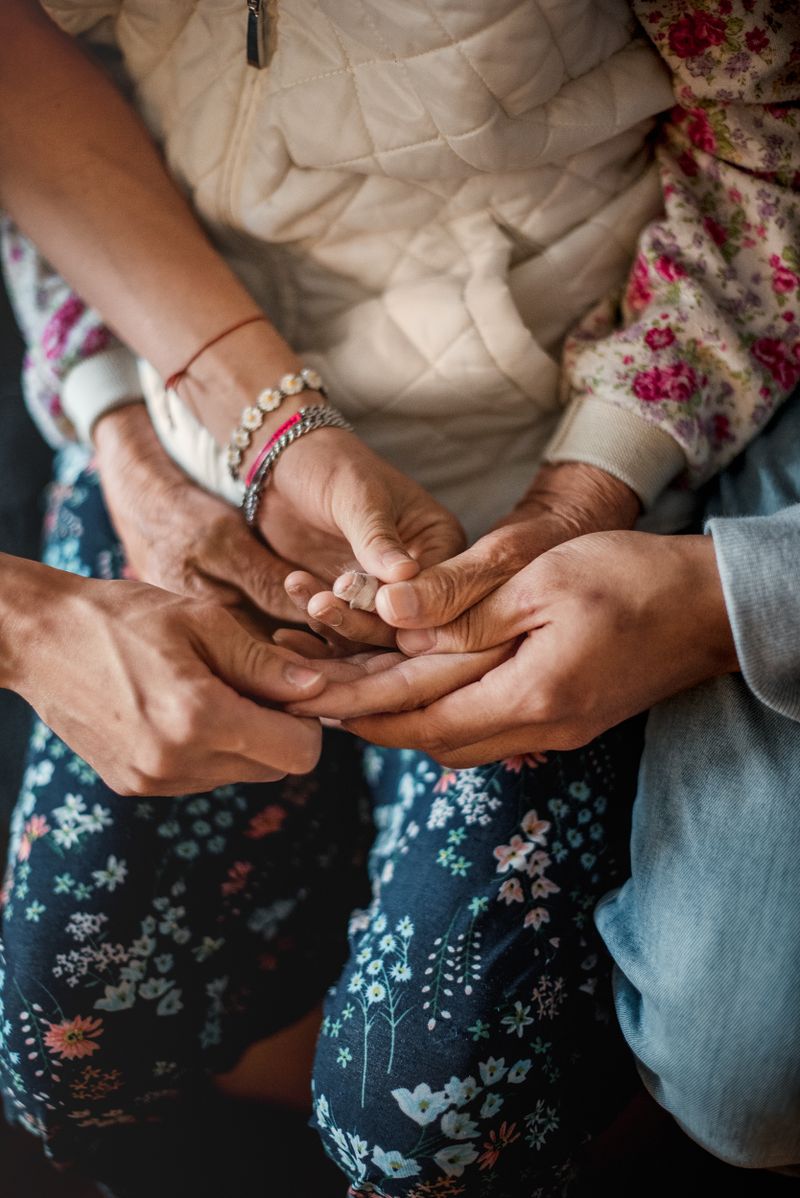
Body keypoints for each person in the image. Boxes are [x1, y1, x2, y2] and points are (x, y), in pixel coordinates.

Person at [0, 2, 798, 1196]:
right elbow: (31, 90)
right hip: (169, 448)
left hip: (566, 457)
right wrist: (132, 446)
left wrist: (586, 491)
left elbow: (762, 146)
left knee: (427, 1121)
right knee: (65, 1040)